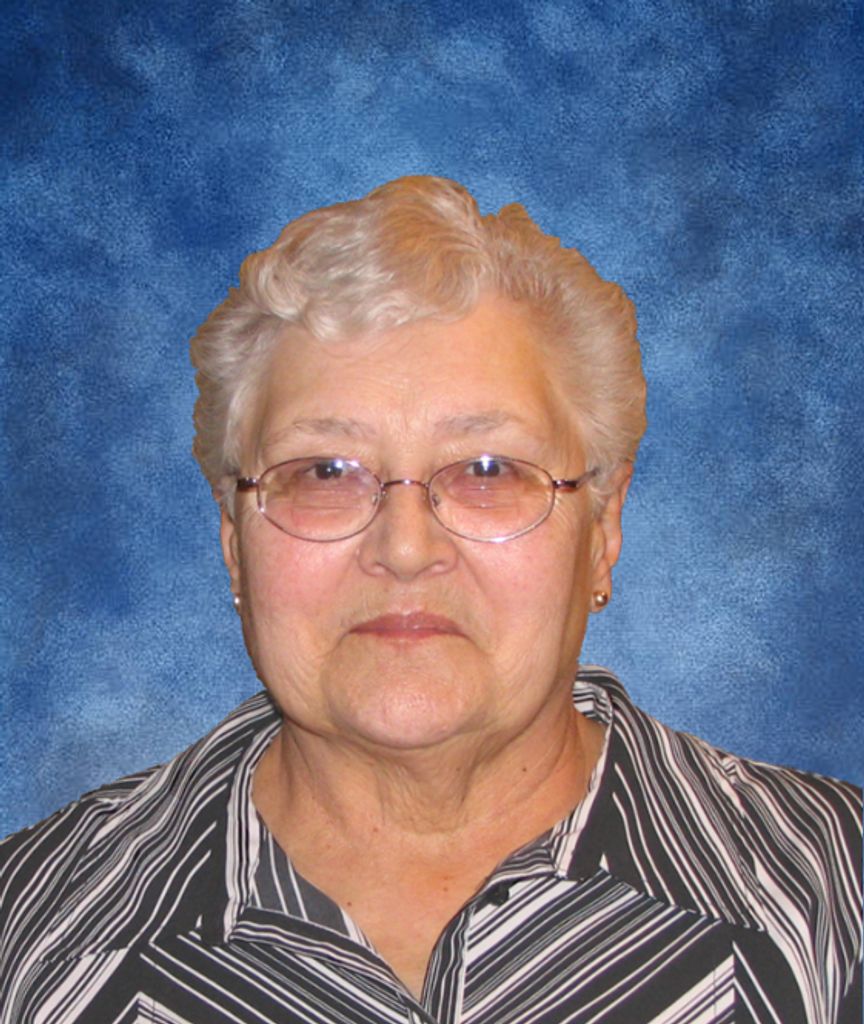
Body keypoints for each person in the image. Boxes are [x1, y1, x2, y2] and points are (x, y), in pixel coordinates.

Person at [0, 176, 860, 1024]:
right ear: (234, 540)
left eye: (489, 471)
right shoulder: (29, 941)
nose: (405, 549)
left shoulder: (836, 897)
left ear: (603, 528)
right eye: (323, 473)